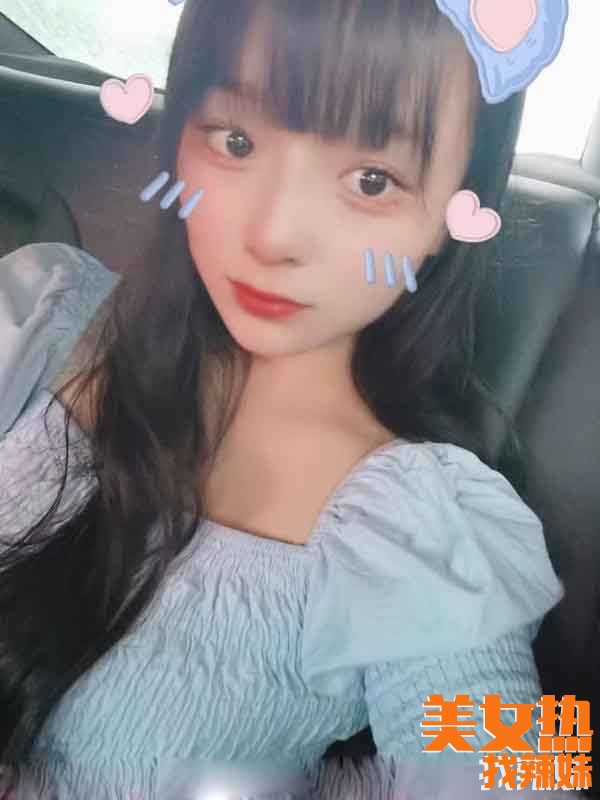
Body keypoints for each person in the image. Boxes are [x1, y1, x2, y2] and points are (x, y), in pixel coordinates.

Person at [0, 0, 572, 798]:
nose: (272, 235)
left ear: (455, 210)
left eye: (370, 180)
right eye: (235, 141)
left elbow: (520, 770)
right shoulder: (40, 316)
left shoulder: (424, 533)